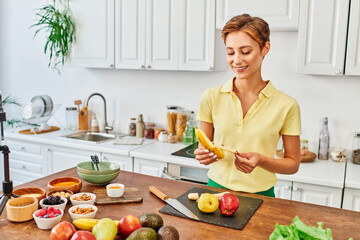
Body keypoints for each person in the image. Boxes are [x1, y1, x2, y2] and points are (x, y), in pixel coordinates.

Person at [194, 14, 301, 197]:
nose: (236, 60)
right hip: (215, 191)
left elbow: (292, 164)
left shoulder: (287, 105)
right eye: (230, 52)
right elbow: (205, 146)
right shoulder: (211, 97)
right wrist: (203, 155)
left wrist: (261, 161)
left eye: (245, 52)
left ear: (265, 48)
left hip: (262, 196)